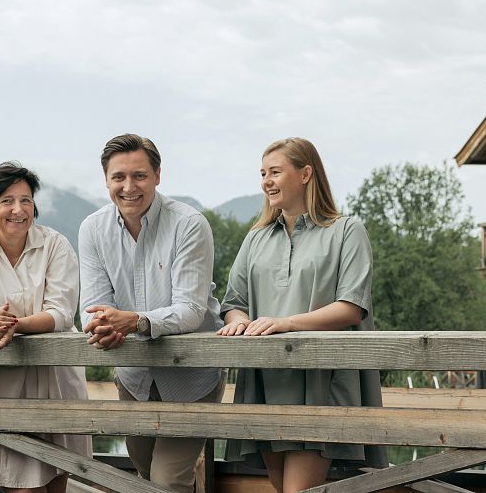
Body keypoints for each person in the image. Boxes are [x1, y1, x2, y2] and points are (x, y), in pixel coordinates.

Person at [217, 138, 387, 493]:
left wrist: (286, 323)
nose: (266, 181)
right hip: (266, 382)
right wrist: (238, 321)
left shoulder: (346, 230)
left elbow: (351, 307)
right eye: (263, 173)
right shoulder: (256, 238)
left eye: (275, 172)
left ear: (306, 173)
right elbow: (234, 301)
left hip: (320, 382)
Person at [79, 133, 225, 493]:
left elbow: (191, 310)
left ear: (158, 176)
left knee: (167, 480)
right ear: (106, 180)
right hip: (134, 377)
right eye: (119, 177)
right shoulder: (92, 229)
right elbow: (92, 306)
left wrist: (135, 321)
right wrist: (100, 326)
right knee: (145, 475)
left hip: (192, 377)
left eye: (139, 175)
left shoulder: (189, 224)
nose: (129, 186)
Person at [0, 162, 91, 493]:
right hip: (2, 379)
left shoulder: (55, 245)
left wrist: (16, 325)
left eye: (26, 200)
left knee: (58, 476)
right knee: (18, 485)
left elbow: (61, 313)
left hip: (55, 377)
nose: (19, 209)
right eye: (7, 201)